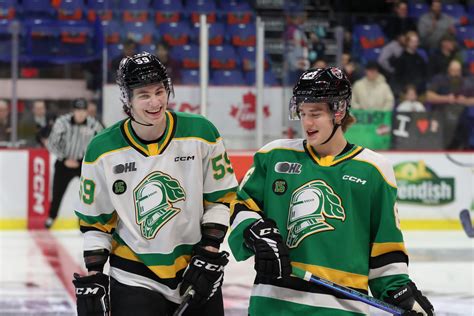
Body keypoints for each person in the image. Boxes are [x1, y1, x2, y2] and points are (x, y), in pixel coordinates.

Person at [228, 67, 434, 315]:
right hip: (273, 303)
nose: (307, 122)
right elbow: (240, 206)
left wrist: (399, 292)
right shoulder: (274, 156)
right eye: (302, 113)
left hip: (341, 309)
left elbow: (385, 249)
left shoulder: (374, 170)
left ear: (339, 111)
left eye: (315, 113)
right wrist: (257, 234)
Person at [72, 52, 238, 316]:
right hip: (133, 274)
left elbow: (220, 198)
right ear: (127, 99)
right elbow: (96, 223)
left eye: (160, 91)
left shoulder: (202, 132)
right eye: (144, 95)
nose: (155, 102)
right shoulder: (102, 149)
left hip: (196, 267)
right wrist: (94, 275)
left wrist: (209, 249)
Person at [44, 98, 103, 229]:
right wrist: (64, 159)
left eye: (83, 111)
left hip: (83, 163)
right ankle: (51, 217)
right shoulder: (62, 122)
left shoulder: (94, 125)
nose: (80, 114)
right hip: (63, 163)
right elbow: (52, 144)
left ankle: (83, 220)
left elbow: (101, 143)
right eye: (78, 110)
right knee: (57, 192)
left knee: (88, 194)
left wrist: (89, 159)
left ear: (87, 111)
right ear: (73, 111)